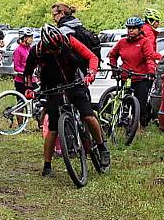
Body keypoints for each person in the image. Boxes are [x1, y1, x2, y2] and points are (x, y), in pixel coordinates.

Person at [23, 24, 109, 176]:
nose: (58, 51)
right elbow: (28, 73)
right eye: (54, 49)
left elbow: (91, 57)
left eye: (60, 48)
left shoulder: (68, 40)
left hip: (74, 82)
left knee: (88, 116)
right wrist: (28, 89)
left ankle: (102, 148)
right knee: (53, 128)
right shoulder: (37, 51)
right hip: (52, 87)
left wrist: (91, 73)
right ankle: (47, 166)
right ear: (47, 46)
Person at [108, 16, 158, 125]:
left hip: (141, 77)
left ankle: (140, 125)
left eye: (133, 28)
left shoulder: (145, 42)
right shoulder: (122, 42)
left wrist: (151, 72)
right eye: (129, 28)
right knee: (124, 101)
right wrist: (114, 69)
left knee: (140, 104)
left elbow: (149, 58)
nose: (130, 30)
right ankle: (122, 120)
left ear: (140, 29)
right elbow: (112, 55)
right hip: (126, 76)